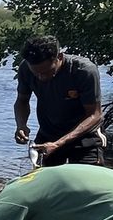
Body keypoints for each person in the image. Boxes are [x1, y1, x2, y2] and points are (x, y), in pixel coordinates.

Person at [13, 35, 105, 166]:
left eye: (46, 72)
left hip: (85, 137)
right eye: (36, 73)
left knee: (85, 184)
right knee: (45, 183)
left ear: (59, 57)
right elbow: (22, 100)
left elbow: (95, 115)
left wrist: (59, 143)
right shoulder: (25, 68)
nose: (41, 77)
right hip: (49, 135)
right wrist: (21, 124)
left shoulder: (83, 71)